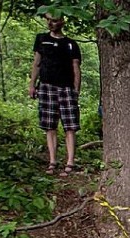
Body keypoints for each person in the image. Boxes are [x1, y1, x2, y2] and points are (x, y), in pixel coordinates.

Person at [29, 14, 81, 177]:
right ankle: (52, 161)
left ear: (62, 22)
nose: (52, 23)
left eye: (55, 20)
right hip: (46, 86)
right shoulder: (41, 39)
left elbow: (76, 68)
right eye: (49, 20)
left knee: (70, 126)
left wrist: (76, 90)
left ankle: (70, 162)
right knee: (50, 126)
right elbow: (36, 63)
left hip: (66, 88)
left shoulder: (71, 44)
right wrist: (32, 85)